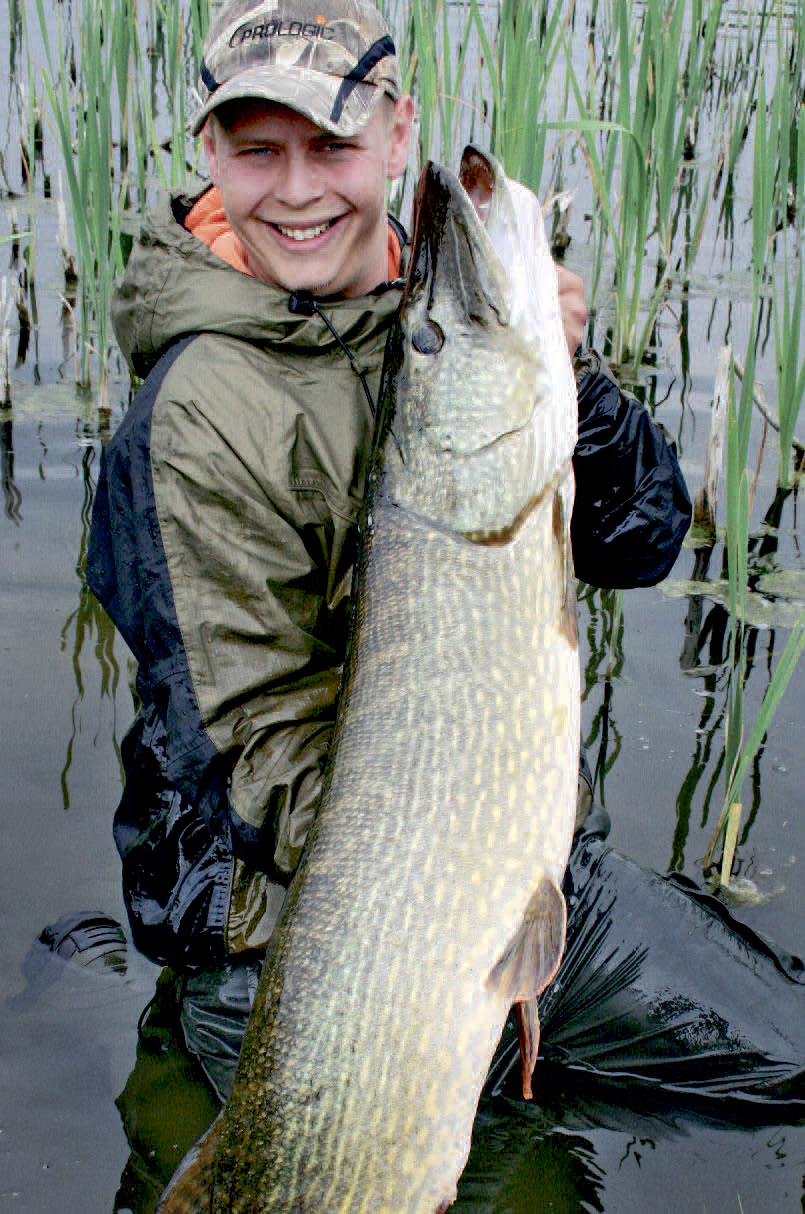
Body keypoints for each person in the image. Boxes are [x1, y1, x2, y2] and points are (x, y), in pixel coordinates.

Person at [87, 0, 693, 1103]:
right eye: (258, 151)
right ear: (208, 152)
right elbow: (254, 752)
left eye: (332, 142)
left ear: (398, 132)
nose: (301, 187)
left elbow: (643, 539)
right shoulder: (192, 415)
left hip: (508, 869)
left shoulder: (443, 322)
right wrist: (457, 880)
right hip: (300, 928)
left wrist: (572, 384)